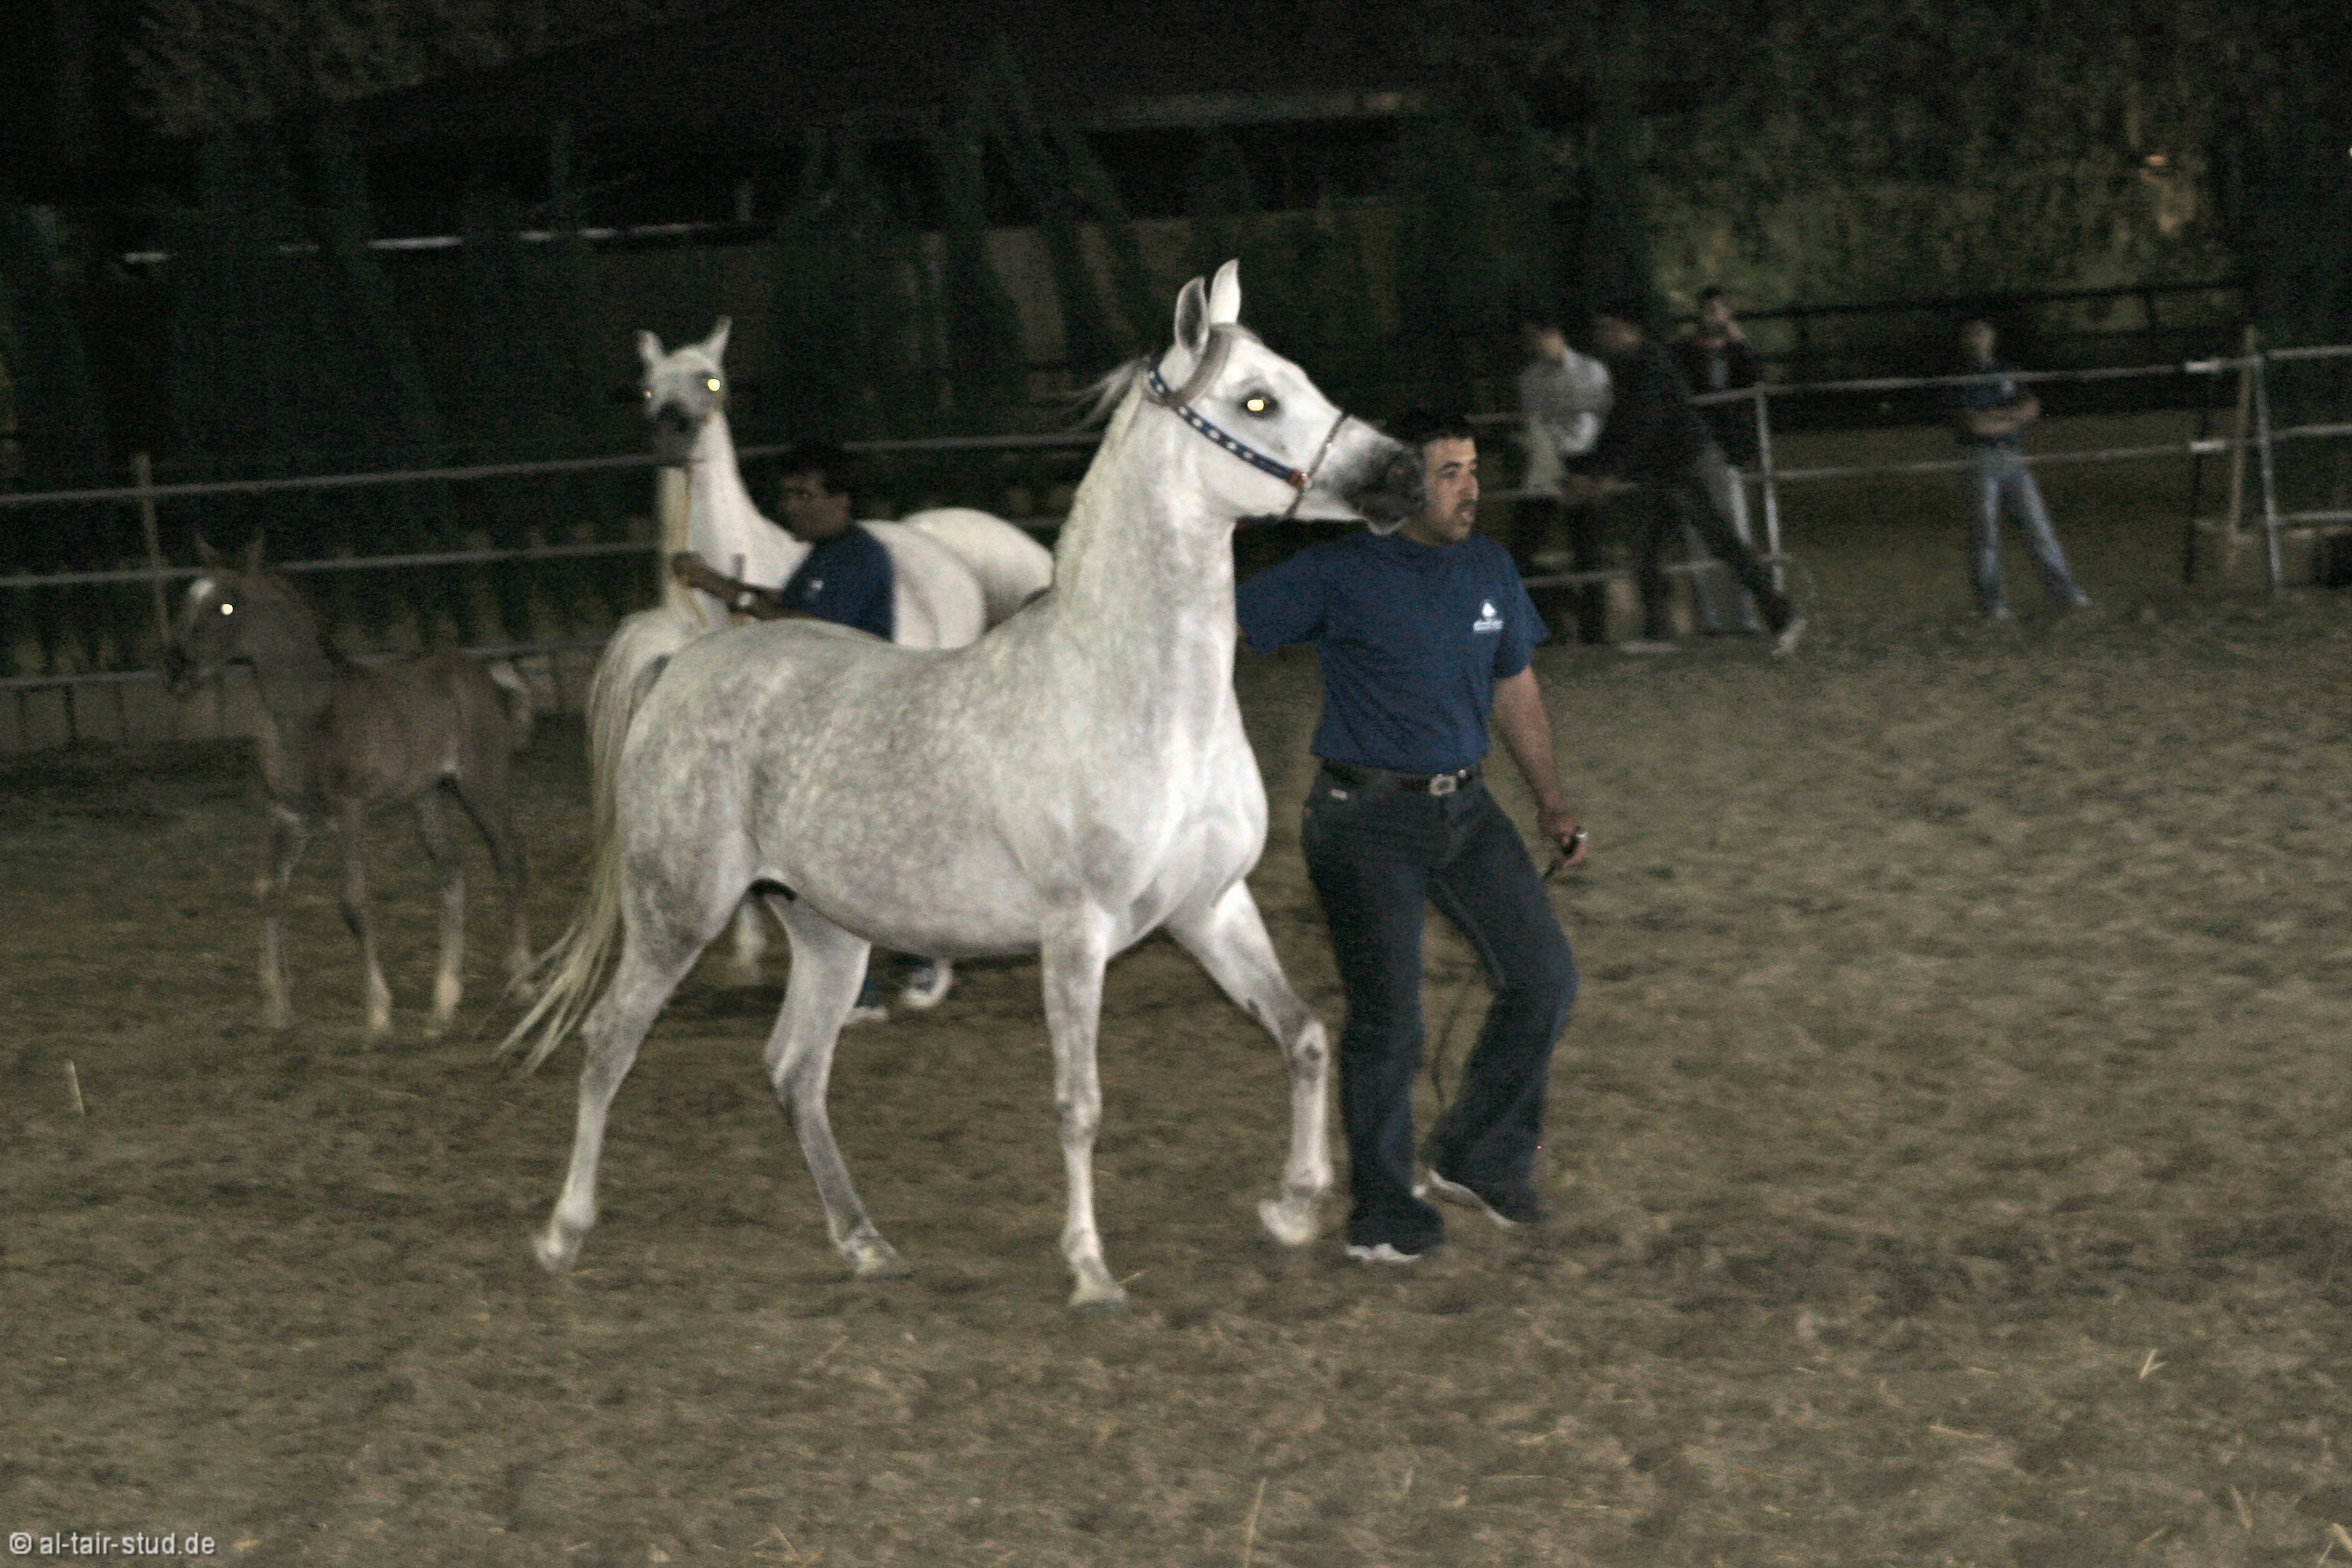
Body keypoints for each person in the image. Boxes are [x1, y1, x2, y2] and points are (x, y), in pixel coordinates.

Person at [1236, 408, 1587, 1264]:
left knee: (1544, 978)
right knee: (1390, 1020)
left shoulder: (1490, 566)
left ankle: (1478, 1157)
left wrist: (1550, 801)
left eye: (1474, 470)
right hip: (1364, 821)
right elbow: (1219, 626)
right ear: (1402, 484)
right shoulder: (1339, 571)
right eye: (1449, 472)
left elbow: (1516, 686)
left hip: (1467, 810)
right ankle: (1383, 1212)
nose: (1470, 489)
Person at [671, 440, 946, 1021]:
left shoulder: (859, 556)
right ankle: (878, 977)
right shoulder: (827, 555)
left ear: (840, 501)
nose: (790, 506)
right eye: (787, 495)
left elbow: (813, 626)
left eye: (803, 495)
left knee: (853, 861)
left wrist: (730, 592)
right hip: (825, 724)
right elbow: (791, 605)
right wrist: (719, 585)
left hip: (856, 725)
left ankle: (911, 962)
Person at [1573, 304, 1805, 657]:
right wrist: (1594, 471)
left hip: (1690, 464)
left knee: (1722, 542)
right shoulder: (1628, 366)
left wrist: (1607, 474)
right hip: (1661, 468)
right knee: (1646, 547)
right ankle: (1657, 631)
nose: (1603, 336)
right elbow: (1620, 422)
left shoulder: (1650, 364)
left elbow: (1642, 422)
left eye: (1610, 328)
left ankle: (1783, 616)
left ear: (1632, 330)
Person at [1950, 318, 2092, 620]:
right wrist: (2012, 417)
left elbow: (2031, 408)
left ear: (1992, 337)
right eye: (1971, 334)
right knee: (1985, 535)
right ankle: (1993, 605)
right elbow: (1975, 425)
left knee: (2039, 529)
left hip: (2013, 457)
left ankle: (2067, 596)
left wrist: (1996, 418)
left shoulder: (2007, 370)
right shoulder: (1961, 378)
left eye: (1981, 332)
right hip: (1980, 458)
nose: (1977, 339)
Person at [1514, 310, 1614, 645]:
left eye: (1535, 337)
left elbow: (1600, 424)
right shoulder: (1531, 378)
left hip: (1582, 461)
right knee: (1523, 549)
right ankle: (1566, 605)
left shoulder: (1591, 371)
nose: (1532, 345)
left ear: (1553, 333)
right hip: (1549, 463)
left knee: (1588, 549)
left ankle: (1592, 630)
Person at [1672, 286, 1766, 634]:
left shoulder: (1739, 353)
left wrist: (1741, 344)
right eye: (1708, 309)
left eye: (1719, 309)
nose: (1713, 316)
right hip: (1695, 451)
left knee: (1738, 533)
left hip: (1728, 453)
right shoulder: (1683, 353)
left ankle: (1746, 615)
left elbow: (1757, 383)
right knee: (1697, 535)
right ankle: (1708, 618)